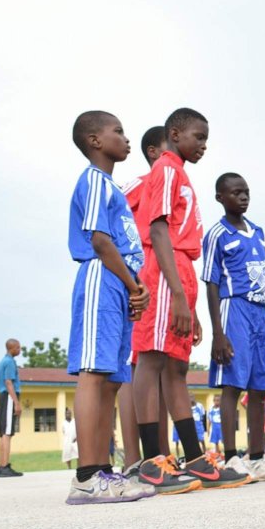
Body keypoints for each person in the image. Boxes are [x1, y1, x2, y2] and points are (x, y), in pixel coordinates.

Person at [130, 108, 248, 493]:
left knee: (177, 368)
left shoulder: (180, 173)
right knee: (151, 359)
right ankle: (152, 461)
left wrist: (189, 304)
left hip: (181, 269)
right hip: (164, 271)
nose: (204, 145)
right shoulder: (165, 169)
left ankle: (195, 458)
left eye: (206, 139)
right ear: (175, 134)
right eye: (199, 137)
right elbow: (158, 230)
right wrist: (177, 293)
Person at [65, 110, 153, 504]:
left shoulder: (112, 188)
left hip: (119, 284)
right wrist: (132, 284)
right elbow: (100, 241)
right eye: (118, 131)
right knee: (93, 374)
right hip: (102, 278)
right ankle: (86, 477)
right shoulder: (95, 181)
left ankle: (102, 470)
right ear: (95, 141)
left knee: (113, 379)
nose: (126, 138)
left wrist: (134, 287)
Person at [203, 172, 265, 481]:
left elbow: (264, 279)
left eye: (246, 192)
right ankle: (231, 458)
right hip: (235, 309)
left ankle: (257, 458)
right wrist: (218, 332)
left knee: (259, 388)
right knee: (233, 385)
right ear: (220, 198)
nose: (243, 197)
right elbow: (211, 283)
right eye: (236, 193)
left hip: (261, 312)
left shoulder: (258, 232)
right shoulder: (217, 234)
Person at [120, 126, 172, 469]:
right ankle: (134, 459)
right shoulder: (138, 185)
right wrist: (128, 277)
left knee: (159, 367)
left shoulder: (172, 189)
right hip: (138, 282)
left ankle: (163, 455)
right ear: (154, 152)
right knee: (134, 366)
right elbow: (110, 221)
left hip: (163, 285)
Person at [0, 339, 24, 477]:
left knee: (4, 432)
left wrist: (0, 389)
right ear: (12, 348)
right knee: (7, 433)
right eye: (18, 347)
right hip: (10, 397)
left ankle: (2, 466)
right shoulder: (10, 362)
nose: (19, 350)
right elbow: (8, 382)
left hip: (4, 396)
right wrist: (16, 402)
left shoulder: (3, 361)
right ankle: (4, 466)